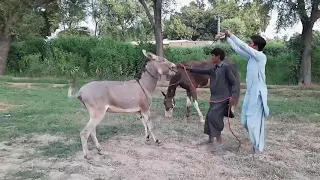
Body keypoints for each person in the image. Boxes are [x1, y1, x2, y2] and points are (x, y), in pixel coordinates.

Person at [217, 30, 270, 153]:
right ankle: (255, 140)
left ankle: (258, 147)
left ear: (255, 46)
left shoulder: (260, 56)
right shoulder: (252, 56)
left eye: (250, 43)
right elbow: (238, 48)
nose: (248, 44)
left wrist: (231, 34)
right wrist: (227, 38)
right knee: (245, 122)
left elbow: (243, 46)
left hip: (258, 94)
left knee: (253, 122)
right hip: (250, 93)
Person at [177, 48, 240, 151]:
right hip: (214, 98)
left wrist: (233, 96)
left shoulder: (226, 68)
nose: (212, 58)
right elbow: (200, 70)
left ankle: (220, 143)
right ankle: (210, 139)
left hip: (223, 98)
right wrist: (186, 68)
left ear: (218, 57)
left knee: (215, 118)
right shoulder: (214, 69)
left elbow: (234, 83)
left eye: (213, 56)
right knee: (209, 117)